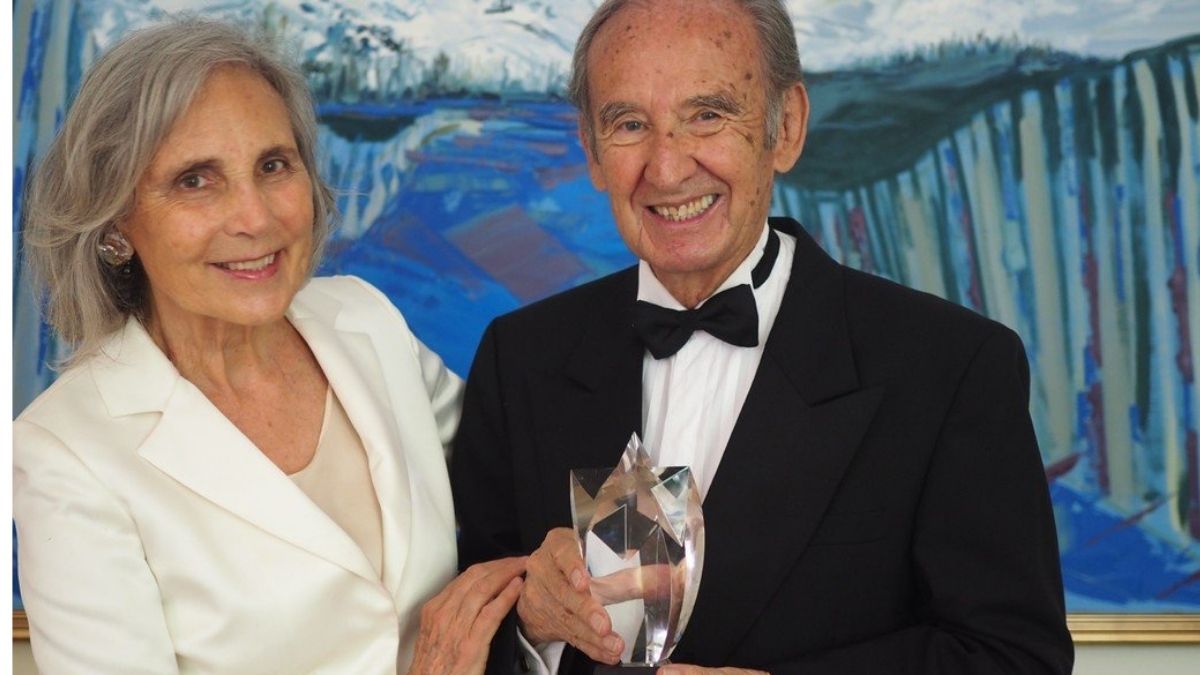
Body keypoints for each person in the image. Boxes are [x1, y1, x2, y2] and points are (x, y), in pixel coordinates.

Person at [450, 1, 1074, 673]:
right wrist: (532, 628)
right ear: (593, 151)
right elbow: (464, 629)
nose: (666, 168)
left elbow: (1018, 659)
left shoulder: (951, 368)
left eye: (708, 115)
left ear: (788, 127)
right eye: (629, 123)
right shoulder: (519, 359)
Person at [14, 18, 523, 674]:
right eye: (196, 179)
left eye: (273, 165)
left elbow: (516, 480)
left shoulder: (365, 319)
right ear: (117, 223)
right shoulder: (63, 453)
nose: (255, 217)